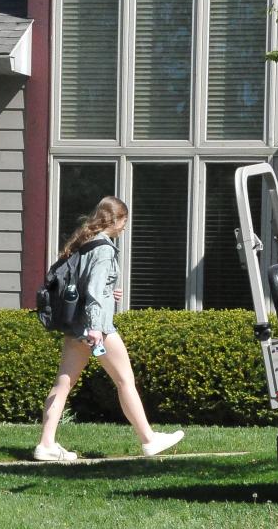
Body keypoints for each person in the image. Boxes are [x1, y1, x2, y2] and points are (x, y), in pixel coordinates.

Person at [34, 196, 185, 461]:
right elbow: (93, 291)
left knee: (63, 383)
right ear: (114, 220)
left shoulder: (84, 243)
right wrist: (95, 328)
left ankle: (46, 444)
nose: (125, 227)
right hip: (97, 328)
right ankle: (149, 440)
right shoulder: (103, 248)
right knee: (125, 380)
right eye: (124, 221)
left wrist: (109, 292)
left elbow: (88, 285)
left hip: (75, 326)